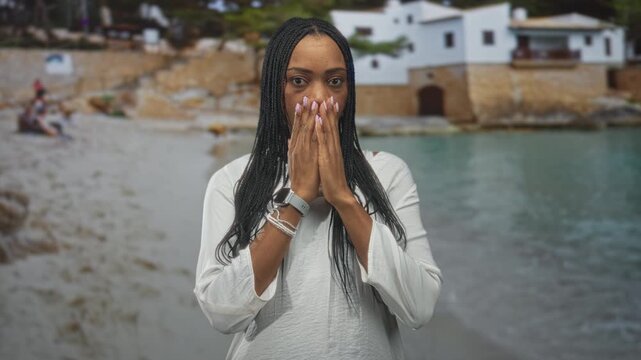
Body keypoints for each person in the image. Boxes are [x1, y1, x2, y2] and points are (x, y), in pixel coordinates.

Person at [194, 18, 442, 359]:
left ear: (348, 89)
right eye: (299, 81)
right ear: (273, 90)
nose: (320, 99)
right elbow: (220, 311)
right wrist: (296, 200)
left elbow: (420, 305)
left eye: (335, 81)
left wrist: (343, 196)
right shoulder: (233, 181)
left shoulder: (389, 173)